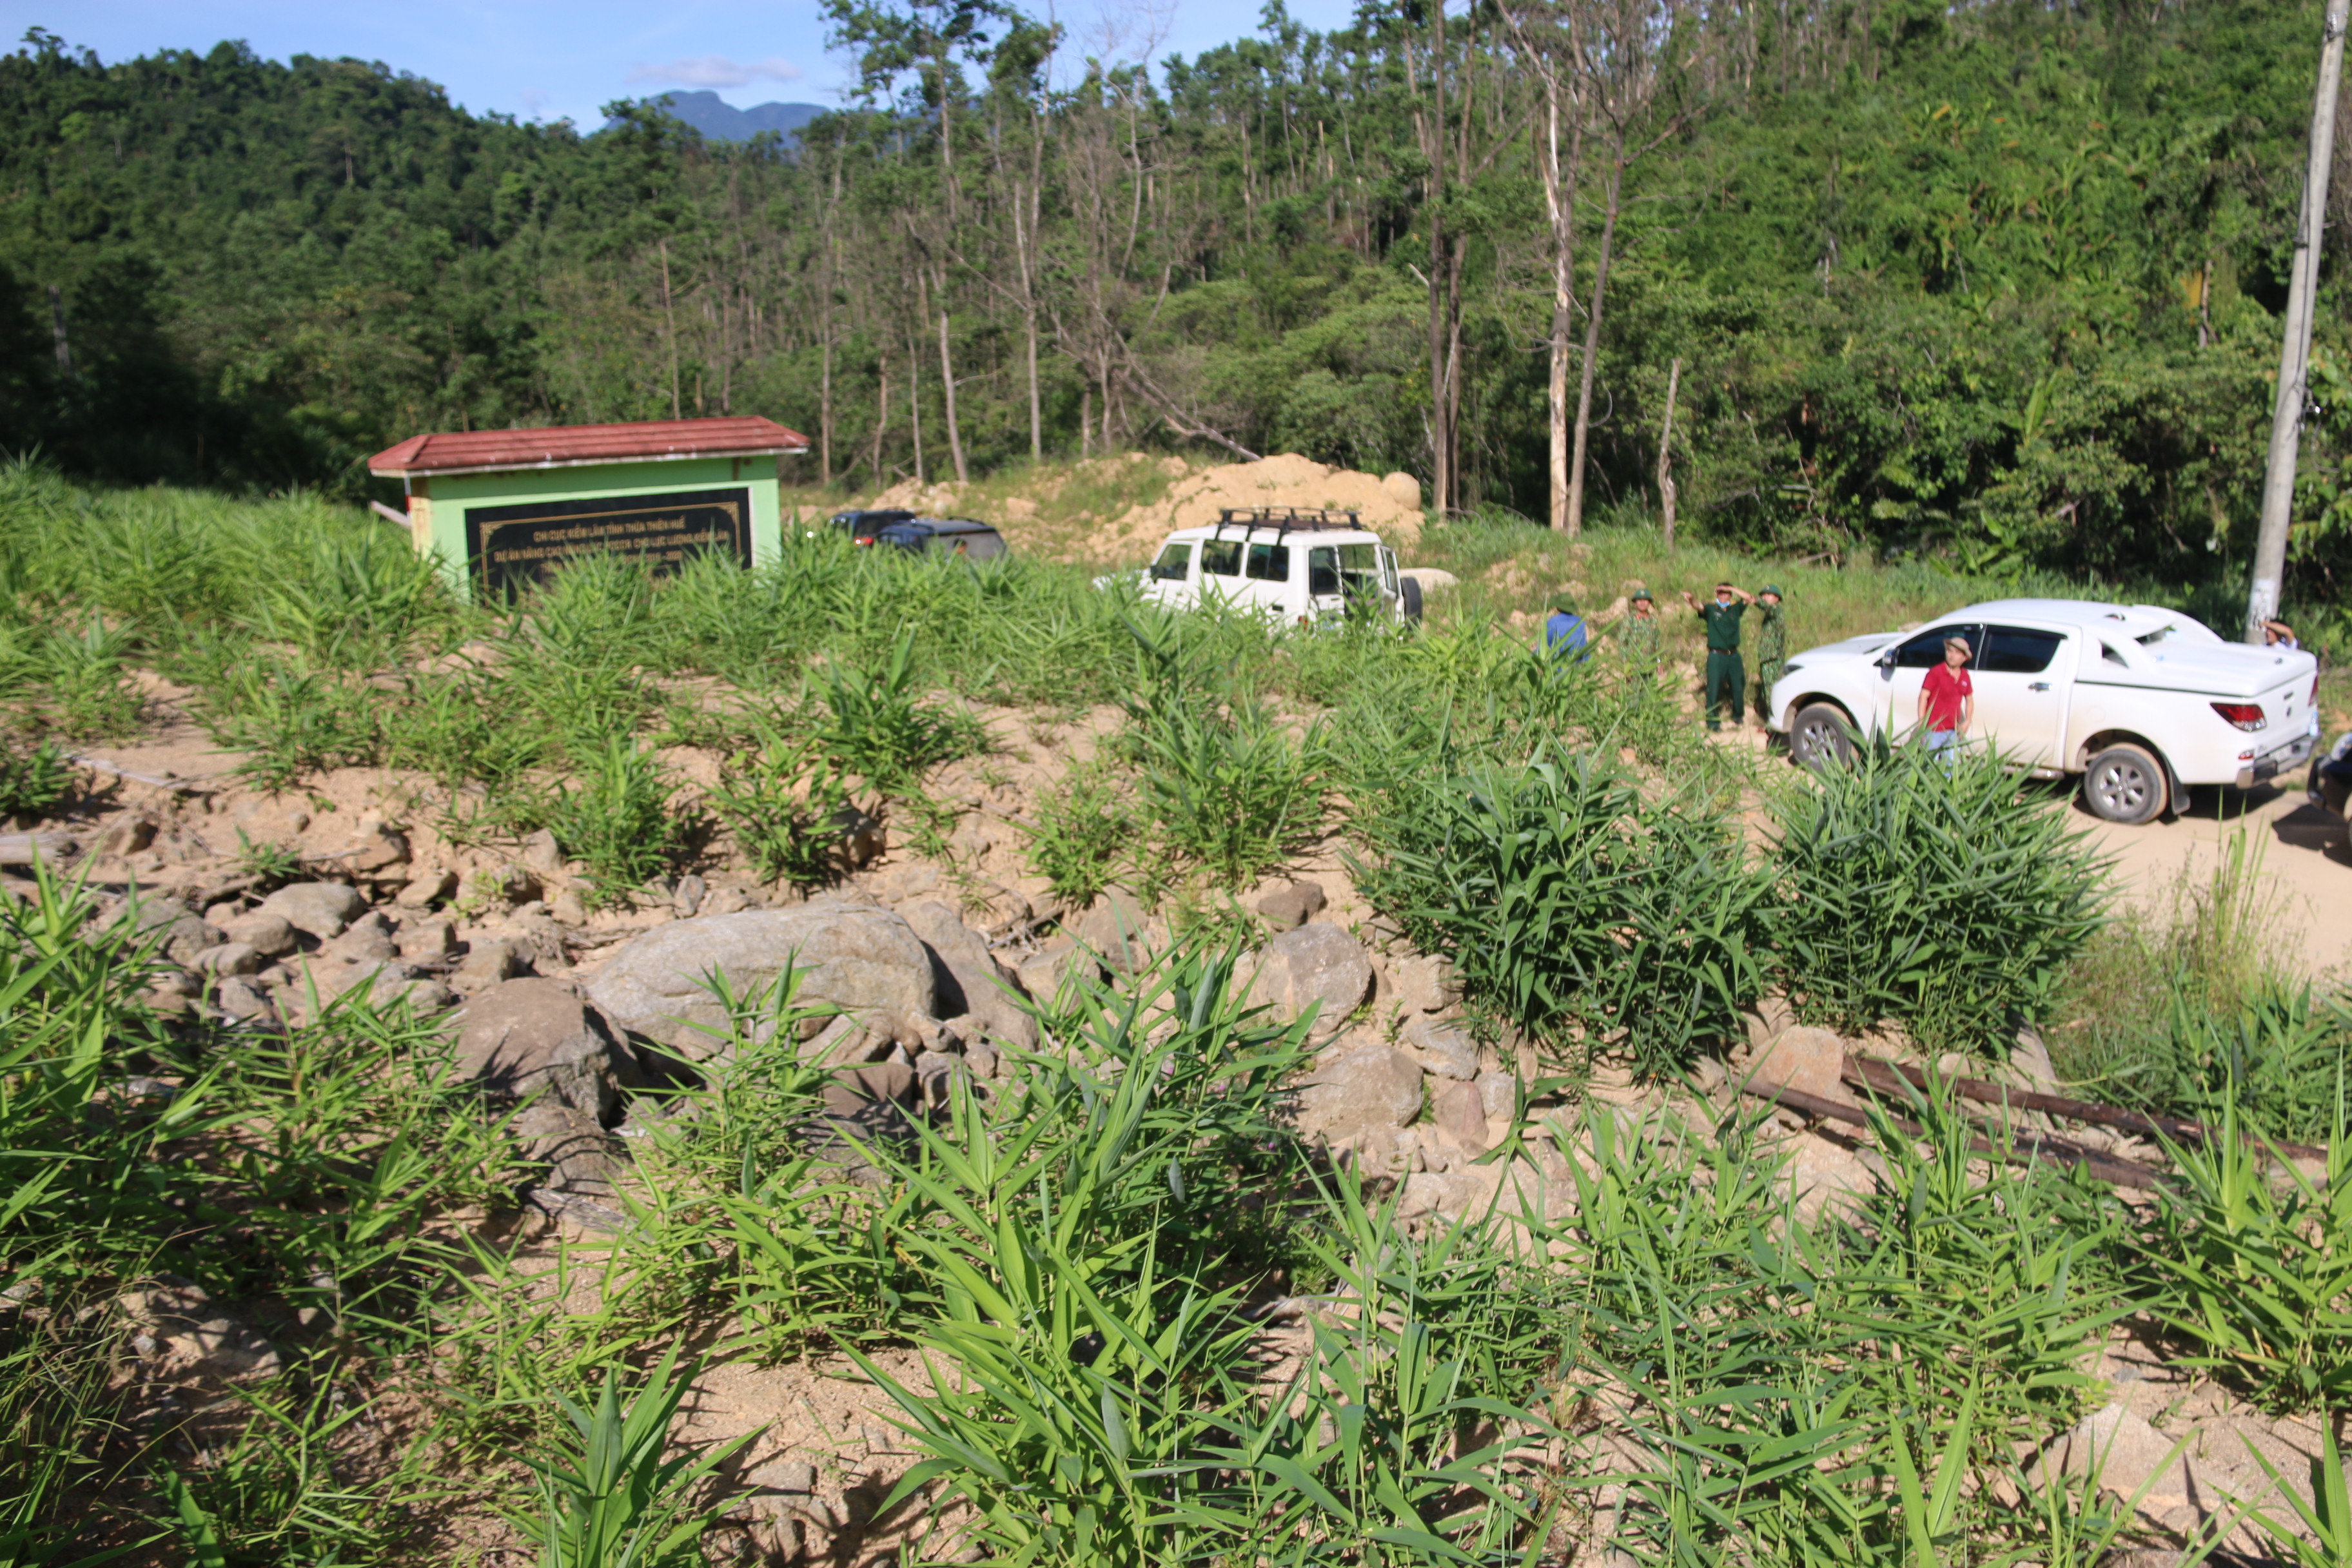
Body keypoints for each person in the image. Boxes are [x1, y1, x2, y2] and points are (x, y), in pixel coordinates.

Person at [1680, 582, 1754, 730]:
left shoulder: (1735, 609)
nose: (1723, 595)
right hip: (1716, 655)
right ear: (1716, 594)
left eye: (1726, 593)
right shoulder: (1711, 609)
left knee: (1739, 684)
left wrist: (1731, 588)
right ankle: (1713, 721)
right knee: (1714, 687)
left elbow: (1750, 598)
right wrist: (1691, 599)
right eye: (1720, 592)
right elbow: (1698, 606)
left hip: (1733, 655)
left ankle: (1738, 715)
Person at [1918, 635, 1974, 758]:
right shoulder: (1936, 672)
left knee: (1949, 768)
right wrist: (1922, 724)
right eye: (1949, 651)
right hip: (1934, 730)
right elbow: (1923, 697)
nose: (1952, 655)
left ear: (1964, 657)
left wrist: (1968, 721)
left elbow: (1969, 699)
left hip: (1954, 731)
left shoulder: (1965, 676)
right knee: (1929, 766)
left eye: (1957, 653)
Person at [1754, 583, 1788, 721]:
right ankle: (1774, 720)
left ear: (1777, 598)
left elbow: (1764, 606)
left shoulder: (1777, 611)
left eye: (1768, 595)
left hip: (1772, 658)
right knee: (1769, 690)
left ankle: (1774, 722)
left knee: (1771, 691)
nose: (1765, 597)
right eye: (1763, 595)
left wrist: (1754, 600)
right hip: (1769, 657)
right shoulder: (1771, 614)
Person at [1616, 585, 1661, 674]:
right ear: (1635, 603)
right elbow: (1622, 642)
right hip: (1634, 667)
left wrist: (1659, 662)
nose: (1642, 603)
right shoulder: (1630, 620)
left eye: (1645, 600)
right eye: (1639, 600)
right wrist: (1626, 664)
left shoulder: (1654, 621)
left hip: (1650, 667)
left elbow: (1657, 643)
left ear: (1649, 603)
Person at [1543, 593, 1590, 662]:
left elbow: (1545, 645)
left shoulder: (1552, 622)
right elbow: (1583, 644)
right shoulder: (1580, 622)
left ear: (1558, 608)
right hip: (1576, 662)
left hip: (1558, 664)